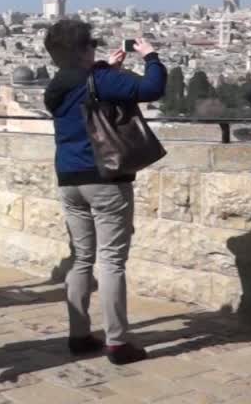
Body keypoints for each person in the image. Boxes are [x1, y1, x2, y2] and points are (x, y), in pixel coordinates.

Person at [42, 21, 166, 366]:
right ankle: (118, 342)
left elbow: (85, 95)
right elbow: (153, 87)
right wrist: (151, 56)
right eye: (91, 44)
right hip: (105, 178)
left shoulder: (56, 85)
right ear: (82, 49)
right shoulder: (100, 79)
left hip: (69, 179)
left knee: (82, 258)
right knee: (111, 260)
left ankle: (79, 335)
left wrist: (106, 71)